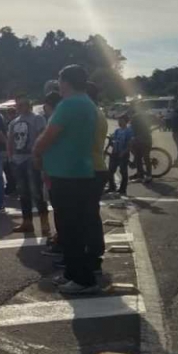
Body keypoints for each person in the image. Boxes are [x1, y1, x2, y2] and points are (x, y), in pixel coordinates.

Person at [32, 65, 99, 295]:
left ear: (66, 81)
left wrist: (37, 152)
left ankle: (82, 278)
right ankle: (73, 273)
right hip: (79, 171)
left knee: (70, 229)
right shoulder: (88, 103)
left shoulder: (69, 104)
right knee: (74, 227)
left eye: (60, 81)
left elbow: (49, 135)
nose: (58, 85)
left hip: (66, 174)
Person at [7, 95, 50, 236]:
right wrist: (11, 156)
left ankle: (44, 223)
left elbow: (42, 135)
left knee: (36, 191)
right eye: (17, 105)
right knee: (23, 192)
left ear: (28, 105)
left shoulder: (37, 118)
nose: (19, 108)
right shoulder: (13, 122)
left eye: (22, 105)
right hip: (18, 159)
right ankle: (27, 222)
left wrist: (39, 156)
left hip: (31, 158)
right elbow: (10, 140)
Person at [84, 81, 109, 278]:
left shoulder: (89, 112)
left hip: (89, 168)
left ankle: (91, 258)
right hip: (96, 166)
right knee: (91, 215)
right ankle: (94, 254)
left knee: (86, 216)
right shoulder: (96, 111)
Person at [108, 115, 133, 195]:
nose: (119, 122)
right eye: (119, 121)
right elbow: (113, 141)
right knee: (110, 171)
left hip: (123, 154)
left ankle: (122, 189)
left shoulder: (129, 131)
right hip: (115, 153)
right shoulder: (117, 131)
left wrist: (124, 152)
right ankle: (112, 187)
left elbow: (130, 144)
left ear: (125, 121)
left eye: (121, 121)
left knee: (123, 172)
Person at [129, 107, 153, 183]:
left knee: (143, 158)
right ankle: (142, 175)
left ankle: (146, 175)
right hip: (140, 141)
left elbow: (132, 130)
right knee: (140, 158)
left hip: (144, 141)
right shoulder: (137, 119)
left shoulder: (136, 119)